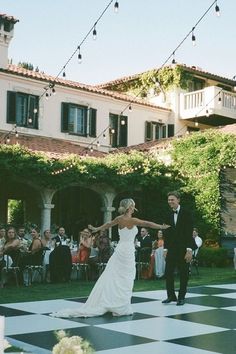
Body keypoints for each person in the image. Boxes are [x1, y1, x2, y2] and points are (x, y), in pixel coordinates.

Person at [50, 198, 170, 318]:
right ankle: (120, 305)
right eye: (133, 206)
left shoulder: (119, 219)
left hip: (120, 249)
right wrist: (161, 226)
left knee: (114, 275)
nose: (134, 208)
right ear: (129, 208)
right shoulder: (133, 220)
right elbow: (147, 223)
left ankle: (114, 302)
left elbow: (108, 225)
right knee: (125, 277)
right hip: (127, 250)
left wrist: (97, 229)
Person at [162, 191, 196, 306]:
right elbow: (166, 233)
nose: (170, 202)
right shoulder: (167, 214)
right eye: (169, 200)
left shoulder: (187, 213)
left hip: (184, 249)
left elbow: (189, 232)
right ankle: (171, 296)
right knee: (168, 273)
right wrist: (165, 250)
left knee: (184, 273)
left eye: (172, 199)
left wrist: (189, 250)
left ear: (178, 200)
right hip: (171, 249)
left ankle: (181, 297)